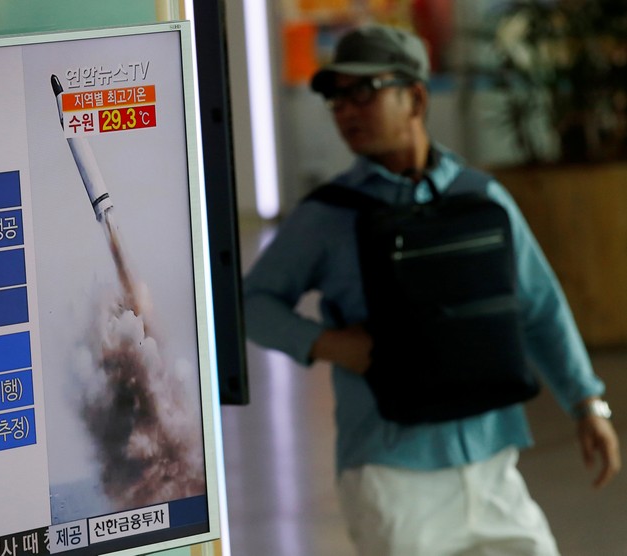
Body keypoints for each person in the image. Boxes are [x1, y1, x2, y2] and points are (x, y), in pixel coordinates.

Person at [243, 23, 621, 556]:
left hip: (491, 462)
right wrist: (327, 344)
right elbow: (249, 303)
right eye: (335, 97)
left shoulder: (481, 196)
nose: (345, 110)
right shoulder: (327, 216)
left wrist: (587, 405)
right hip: (393, 475)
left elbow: (539, 304)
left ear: (415, 96)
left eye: (364, 92)